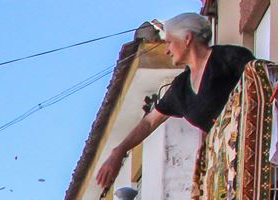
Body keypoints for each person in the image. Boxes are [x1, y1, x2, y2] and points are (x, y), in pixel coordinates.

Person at [95, 13, 254, 188]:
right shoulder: (181, 88)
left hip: (257, 153)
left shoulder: (229, 58)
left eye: (169, 42)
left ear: (187, 38)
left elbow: (260, 83)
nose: (166, 50)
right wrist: (118, 151)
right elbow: (149, 122)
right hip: (232, 167)